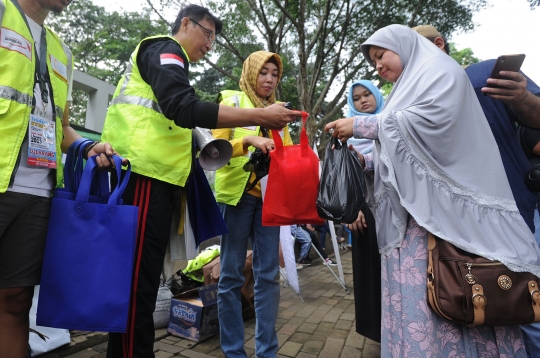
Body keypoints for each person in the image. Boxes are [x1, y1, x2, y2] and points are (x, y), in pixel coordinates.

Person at [326, 24, 540, 356]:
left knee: (472, 299)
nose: (378, 67)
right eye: (373, 62)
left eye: (381, 55)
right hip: (416, 227)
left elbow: (431, 125)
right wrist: (365, 163)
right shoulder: (405, 92)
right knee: (425, 314)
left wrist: (364, 125)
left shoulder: (445, 74)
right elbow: (404, 155)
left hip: (452, 224)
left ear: (410, 46)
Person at [100, 7, 302, 357]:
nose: (210, 43)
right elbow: (183, 107)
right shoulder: (165, 50)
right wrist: (257, 120)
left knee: (144, 281)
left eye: (214, 37)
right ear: (184, 24)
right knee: (139, 283)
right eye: (206, 33)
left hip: (162, 179)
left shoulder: (176, 65)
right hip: (147, 174)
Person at [0, 0, 120, 356]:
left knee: (17, 299)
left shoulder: (61, 50)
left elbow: (60, 124)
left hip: (38, 192)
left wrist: (86, 147)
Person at [414, 24, 540, 357]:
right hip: (461, 228)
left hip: (516, 213)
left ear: (439, 45)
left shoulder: (485, 73)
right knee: (485, 305)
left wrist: (523, 97)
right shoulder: (418, 101)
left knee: (530, 304)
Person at [212, 50, 292, 358]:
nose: (270, 79)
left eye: (274, 74)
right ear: (250, 72)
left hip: (271, 201)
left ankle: (267, 352)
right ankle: (234, 352)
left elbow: (286, 156)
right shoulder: (229, 102)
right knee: (231, 275)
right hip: (236, 197)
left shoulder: (281, 113)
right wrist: (246, 141)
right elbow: (215, 150)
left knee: (268, 275)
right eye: (264, 72)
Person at [343, 79, 385, 343]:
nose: (362, 101)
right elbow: (343, 176)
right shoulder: (348, 132)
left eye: (367, 94)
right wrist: (352, 209)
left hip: (396, 210)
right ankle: (379, 334)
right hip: (364, 214)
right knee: (370, 275)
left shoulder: (391, 121)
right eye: (356, 98)